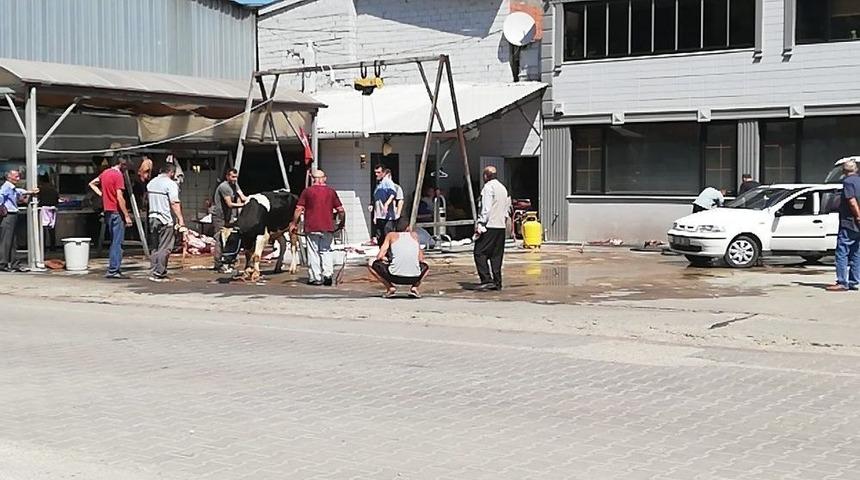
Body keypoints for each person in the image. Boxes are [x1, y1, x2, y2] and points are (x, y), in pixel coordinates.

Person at [290, 169, 345, 286]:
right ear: (324, 178)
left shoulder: (307, 192)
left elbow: (299, 209)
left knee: (313, 252)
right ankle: (328, 275)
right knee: (326, 251)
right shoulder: (331, 192)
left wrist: (294, 223)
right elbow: (341, 210)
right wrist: (342, 223)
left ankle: (316, 277)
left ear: (312, 178)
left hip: (312, 227)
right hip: (327, 226)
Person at [88, 157, 132, 279]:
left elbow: (92, 183)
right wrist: (127, 215)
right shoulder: (118, 176)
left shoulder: (105, 173)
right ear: (121, 164)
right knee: (117, 243)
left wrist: (102, 195)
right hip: (116, 212)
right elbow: (120, 197)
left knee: (113, 241)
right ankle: (114, 270)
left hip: (107, 211)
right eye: (125, 165)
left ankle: (113, 269)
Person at [368, 217, 429, 298]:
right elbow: (421, 259)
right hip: (414, 277)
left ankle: (390, 287)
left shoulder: (391, 235)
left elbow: (379, 256)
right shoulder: (414, 236)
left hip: (394, 276)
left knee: (370, 262)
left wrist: (387, 260)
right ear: (408, 227)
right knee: (427, 265)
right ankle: (415, 287)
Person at [146, 164, 187, 282]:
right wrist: (181, 219)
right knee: (165, 247)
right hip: (165, 219)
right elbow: (174, 202)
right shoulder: (170, 184)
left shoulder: (152, 183)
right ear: (172, 173)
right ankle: (160, 272)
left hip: (152, 217)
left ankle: (153, 270)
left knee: (155, 247)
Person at [473, 166, 510, 291]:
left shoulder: (488, 187)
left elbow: (486, 208)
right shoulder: (503, 188)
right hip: (500, 226)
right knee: (496, 255)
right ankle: (497, 281)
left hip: (489, 225)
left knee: (479, 252)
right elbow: (506, 208)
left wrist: (481, 223)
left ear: (485, 176)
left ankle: (487, 279)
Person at [827, 160, 860, 292]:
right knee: (856, 251)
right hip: (856, 224)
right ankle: (854, 281)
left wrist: (858, 216)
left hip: (849, 222)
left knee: (842, 252)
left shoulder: (848, 182)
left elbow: (851, 201)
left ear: (844, 171)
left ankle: (842, 282)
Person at [0, 170, 39, 272]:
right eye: (16, 177)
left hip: (12, 216)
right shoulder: (6, 187)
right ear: (9, 177)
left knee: (12, 241)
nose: (18, 179)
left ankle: (14, 264)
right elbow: (1, 197)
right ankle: (2, 264)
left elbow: (18, 191)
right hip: (8, 215)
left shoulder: (11, 188)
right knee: (6, 241)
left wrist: (30, 192)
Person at [212, 168, 247, 273]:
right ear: (227, 176)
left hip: (229, 217)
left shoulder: (235, 185)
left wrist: (252, 200)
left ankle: (229, 260)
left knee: (231, 238)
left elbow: (243, 197)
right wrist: (243, 205)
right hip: (220, 217)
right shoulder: (224, 187)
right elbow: (230, 204)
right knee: (220, 239)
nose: (234, 179)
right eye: (232, 177)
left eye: (236, 177)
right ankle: (218, 263)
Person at [369, 165, 401, 245]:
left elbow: (393, 193)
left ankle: (390, 256)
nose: (376, 174)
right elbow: (377, 201)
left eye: (379, 172)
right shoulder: (378, 185)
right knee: (380, 238)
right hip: (380, 216)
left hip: (388, 217)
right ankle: (383, 256)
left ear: (383, 173)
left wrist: (386, 204)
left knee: (388, 237)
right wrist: (374, 215)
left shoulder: (387, 182)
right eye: (375, 172)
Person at [37, 174, 59, 252]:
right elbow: (57, 199)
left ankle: (43, 247)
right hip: (53, 209)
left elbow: (38, 199)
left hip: (43, 209)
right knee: (51, 229)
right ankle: (53, 247)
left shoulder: (40, 188)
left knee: (43, 229)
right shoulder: (53, 188)